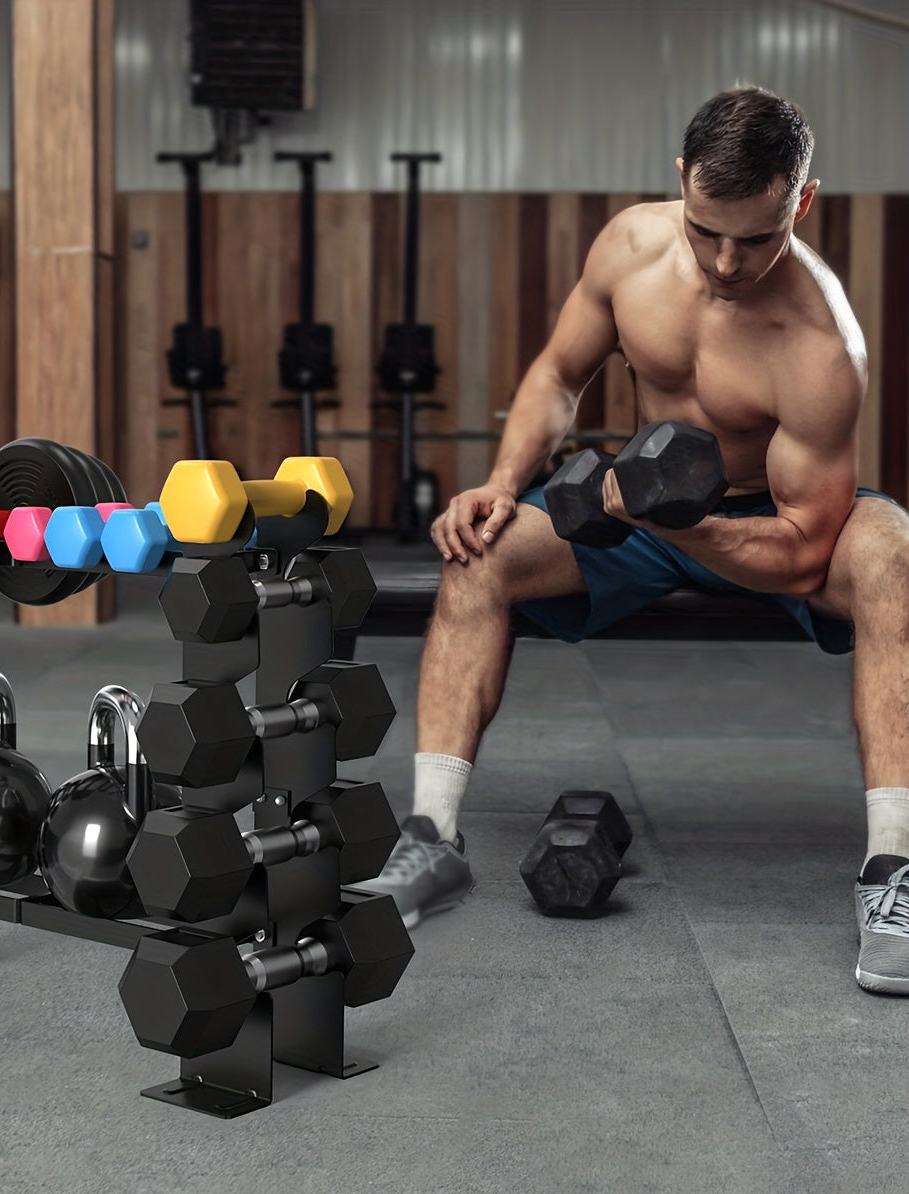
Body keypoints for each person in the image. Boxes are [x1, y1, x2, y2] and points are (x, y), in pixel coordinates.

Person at [357, 86, 909, 994]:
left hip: (771, 519)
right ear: (681, 179)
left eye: (757, 239)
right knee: (481, 551)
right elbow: (556, 374)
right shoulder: (628, 248)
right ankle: (432, 840)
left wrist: (684, 524)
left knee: (889, 553)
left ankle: (893, 875)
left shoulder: (819, 341)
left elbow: (807, 550)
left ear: (802, 202)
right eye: (706, 230)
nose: (727, 263)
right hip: (639, 503)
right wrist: (502, 484)